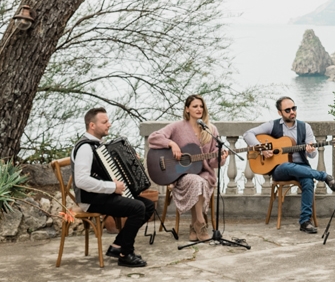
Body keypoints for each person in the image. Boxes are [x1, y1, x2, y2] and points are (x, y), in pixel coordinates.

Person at [71, 108, 155, 267]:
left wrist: (129, 158)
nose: (109, 124)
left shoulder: (99, 146)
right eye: (104, 122)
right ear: (92, 125)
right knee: (137, 208)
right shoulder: (85, 148)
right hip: (90, 199)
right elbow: (82, 180)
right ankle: (126, 254)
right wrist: (112, 187)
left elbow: (109, 169)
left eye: (108, 121)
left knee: (148, 205)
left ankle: (117, 246)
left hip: (102, 195)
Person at [241, 97, 335, 234]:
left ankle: (305, 222)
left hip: (302, 166)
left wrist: (310, 150)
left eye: (294, 108)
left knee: (308, 181)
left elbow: (312, 155)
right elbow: (247, 134)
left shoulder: (305, 127)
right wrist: (262, 148)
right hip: (280, 169)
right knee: (287, 165)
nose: (292, 112)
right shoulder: (273, 125)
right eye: (287, 110)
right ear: (280, 112)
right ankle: (324, 176)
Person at [146, 94, 226, 242]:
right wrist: (171, 144)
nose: (199, 109)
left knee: (201, 181)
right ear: (187, 109)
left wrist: (221, 158)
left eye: (201, 106)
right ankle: (201, 223)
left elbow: (213, 163)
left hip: (205, 174)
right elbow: (153, 137)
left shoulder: (211, 130)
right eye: (195, 106)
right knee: (196, 181)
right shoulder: (177, 126)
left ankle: (194, 226)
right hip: (180, 175)